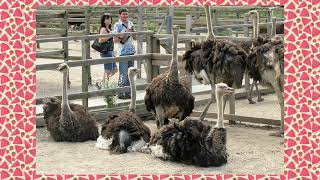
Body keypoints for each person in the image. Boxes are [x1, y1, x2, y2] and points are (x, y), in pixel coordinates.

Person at [113, 8, 136, 99]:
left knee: (130, 73)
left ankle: (127, 92)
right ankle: (120, 93)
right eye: (123, 14)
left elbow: (135, 37)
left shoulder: (131, 23)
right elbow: (115, 40)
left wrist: (133, 32)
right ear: (119, 15)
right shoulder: (117, 25)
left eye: (126, 14)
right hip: (122, 52)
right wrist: (124, 33)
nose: (125, 16)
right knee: (123, 73)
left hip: (131, 51)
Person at [99, 13, 118, 79]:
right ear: (103, 20)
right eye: (107, 19)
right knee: (108, 70)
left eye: (110, 19)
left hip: (110, 51)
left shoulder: (109, 29)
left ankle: (102, 83)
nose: (109, 20)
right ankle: (103, 84)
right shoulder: (103, 29)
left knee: (115, 69)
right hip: (106, 51)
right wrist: (110, 36)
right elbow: (100, 40)